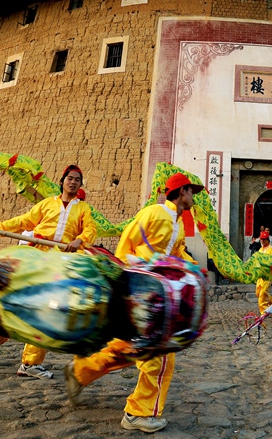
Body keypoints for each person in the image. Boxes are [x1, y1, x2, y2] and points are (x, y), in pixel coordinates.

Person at [64, 171, 202, 433]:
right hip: (142, 292)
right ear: (182, 192)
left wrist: (192, 268)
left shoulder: (179, 223)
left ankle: (81, 370)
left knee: (132, 347)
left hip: (159, 295)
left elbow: (176, 253)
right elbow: (125, 247)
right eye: (191, 192)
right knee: (159, 354)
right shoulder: (154, 213)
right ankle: (138, 412)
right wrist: (137, 274)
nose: (194, 197)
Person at [0, 164, 97, 378]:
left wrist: (79, 239)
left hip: (60, 261)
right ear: (62, 181)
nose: (73, 182)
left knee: (46, 310)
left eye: (77, 179)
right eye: (70, 178)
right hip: (37, 256)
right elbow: (24, 221)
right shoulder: (47, 204)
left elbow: (90, 229)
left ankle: (30, 363)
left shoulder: (83, 209)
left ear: (80, 185)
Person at [255, 231, 272, 314]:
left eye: (264, 239)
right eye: (261, 240)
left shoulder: (271, 250)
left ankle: (264, 312)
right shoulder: (261, 249)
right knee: (258, 292)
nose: (263, 241)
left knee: (262, 293)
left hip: (267, 275)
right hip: (260, 275)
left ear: (268, 240)